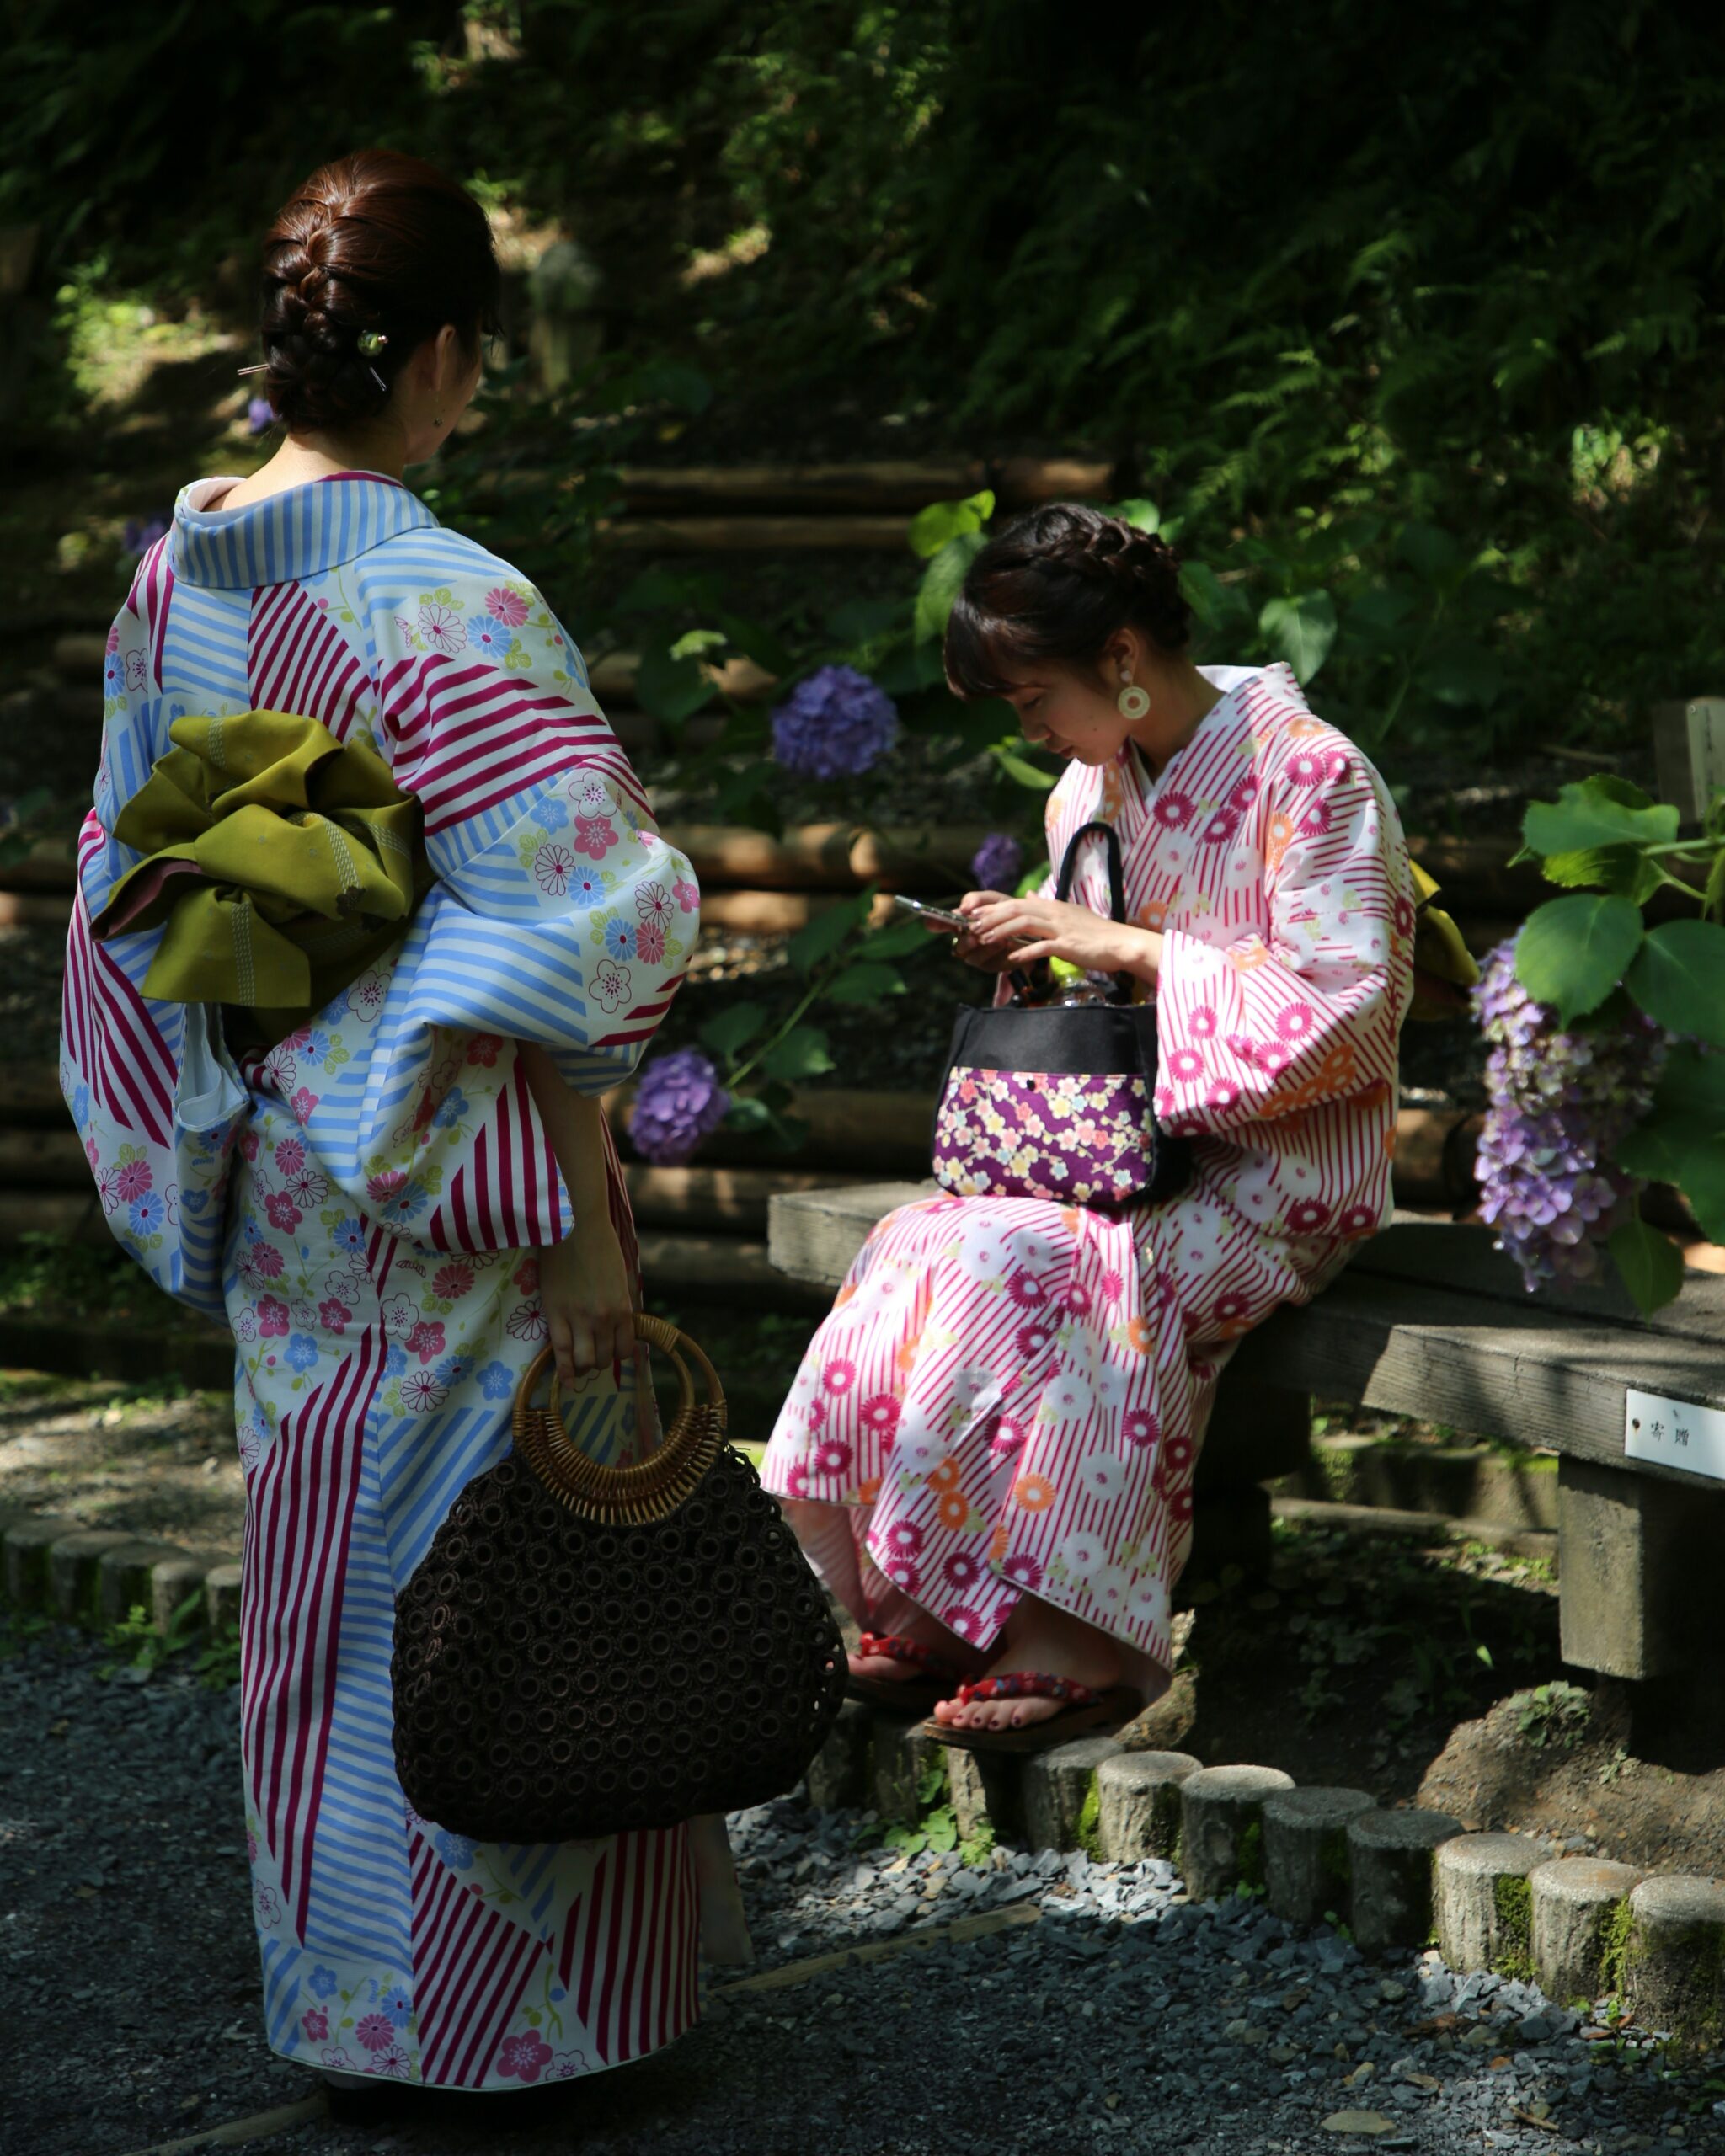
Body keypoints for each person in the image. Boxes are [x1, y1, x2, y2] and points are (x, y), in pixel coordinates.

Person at [61, 150, 714, 2099]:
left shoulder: (173, 580)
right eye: (474, 359)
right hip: (452, 1181)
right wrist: (589, 1226)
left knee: (333, 1566)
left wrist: (238, 1082)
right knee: (499, 1560)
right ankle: (526, 2028)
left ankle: (350, 2006)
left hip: (270, 1153)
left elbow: (128, 872)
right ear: (437, 353)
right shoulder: (443, 596)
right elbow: (577, 923)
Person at [758, 504, 1414, 1747]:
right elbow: (1099, 992)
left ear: (1121, 656)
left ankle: (1079, 1637)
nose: (1033, 731)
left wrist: (1123, 945)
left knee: (1066, 1264)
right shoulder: (1089, 788)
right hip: (1122, 1148)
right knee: (924, 1240)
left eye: (1033, 698)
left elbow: (1350, 1018)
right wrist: (1036, 947)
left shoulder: (1310, 773)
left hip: (1280, 1164)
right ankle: (932, 1603)